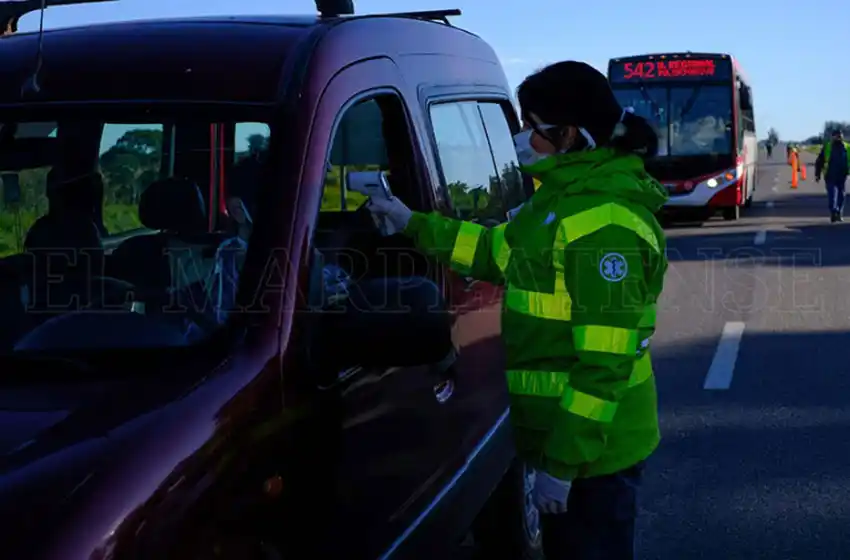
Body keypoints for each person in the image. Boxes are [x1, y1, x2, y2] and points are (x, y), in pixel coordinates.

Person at [367, 61, 668, 560]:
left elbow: (604, 364)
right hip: (563, 444)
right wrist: (409, 221)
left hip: (595, 455)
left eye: (532, 126)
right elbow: (492, 253)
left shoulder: (604, 224)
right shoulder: (558, 201)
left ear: (570, 134)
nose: (522, 137)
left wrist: (563, 466)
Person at [815, 129, 850, 222]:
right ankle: (833, 212)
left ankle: (838, 212)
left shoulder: (847, 147)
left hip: (842, 175)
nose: (838, 138)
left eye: (840, 136)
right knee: (832, 195)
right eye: (836, 136)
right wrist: (817, 174)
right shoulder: (828, 147)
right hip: (830, 175)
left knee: (842, 195)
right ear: (833, 137)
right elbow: (819, 161)